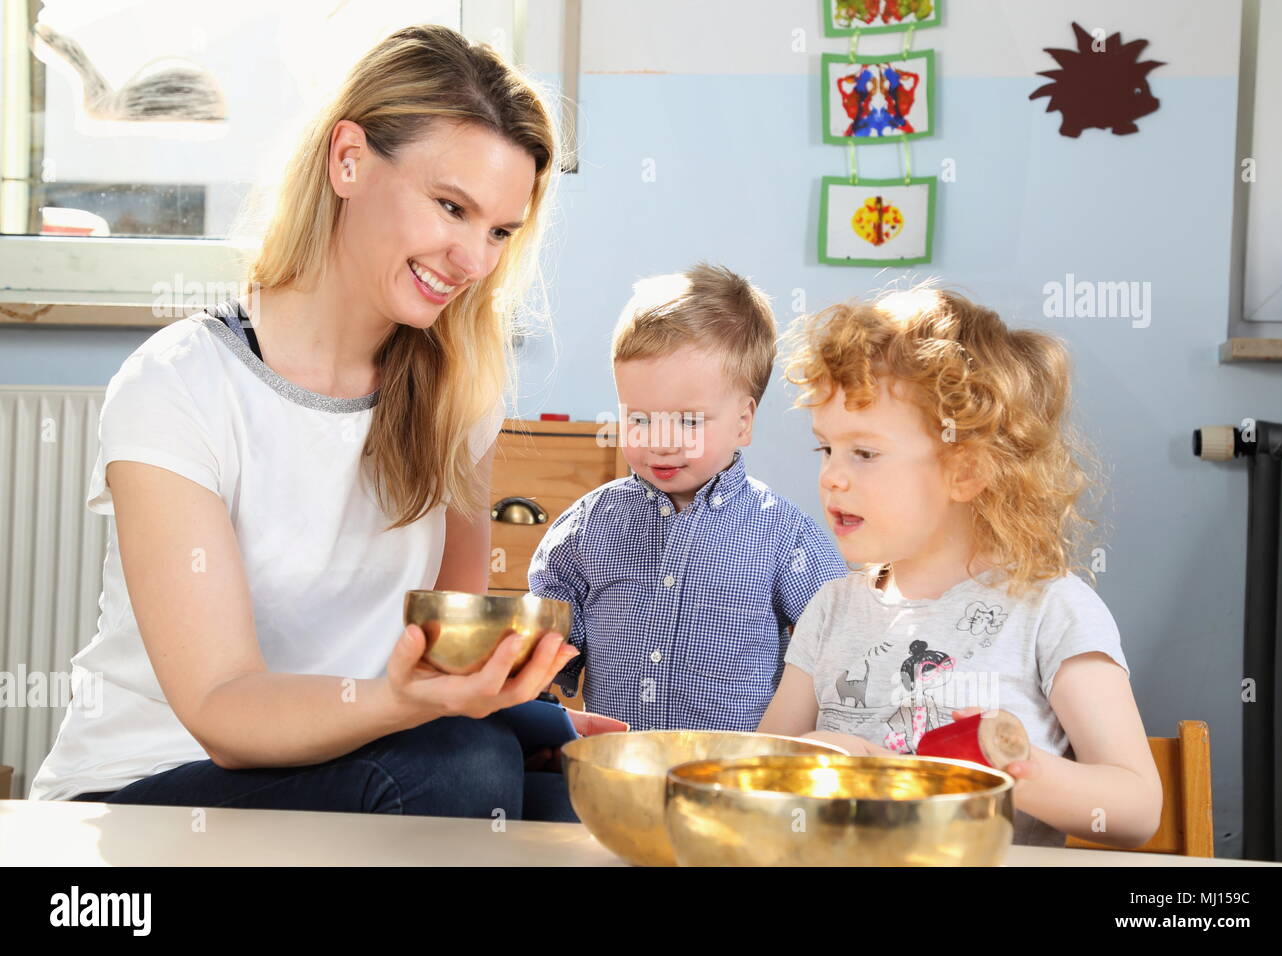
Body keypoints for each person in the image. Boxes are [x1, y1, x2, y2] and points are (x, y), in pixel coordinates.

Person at [29, 24, 598, 821]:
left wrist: (512, 704)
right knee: (463, 770)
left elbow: (442, 649)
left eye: (499, 230)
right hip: (150, 788)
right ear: (349, 161)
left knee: (576, 793)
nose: (474, 260)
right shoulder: (178, 386)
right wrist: (423, 707)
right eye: (450, 207)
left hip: (354, 757)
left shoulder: (456, 392)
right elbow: (224, 710)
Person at [758, 284, 1163, 847]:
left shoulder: (1051, 610)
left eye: (865, 453)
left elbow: (1135, 808)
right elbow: (761, 773)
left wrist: (1013, 769)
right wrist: (810, 766)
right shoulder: (830, 609)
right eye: (826, 449)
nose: (832, 476)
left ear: (966, 471)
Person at [528, 263, 848, 732]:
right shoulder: (590, 525)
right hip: (618, 764)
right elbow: (547, 622)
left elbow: (832, 635)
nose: (661, 441)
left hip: (734, 777)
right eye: (639, 419)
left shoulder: (782, 534)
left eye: (688, 421)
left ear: (743, 422)